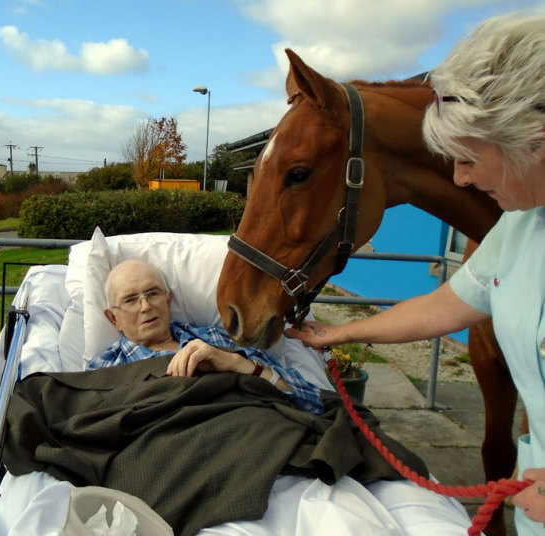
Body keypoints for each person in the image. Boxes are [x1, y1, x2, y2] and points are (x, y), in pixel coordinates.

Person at [285, 14, 545, 535]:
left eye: (469, 156)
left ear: (534, 138)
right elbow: (444, 306)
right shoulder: (518, 229)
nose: (460, 177)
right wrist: (339, 332)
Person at [91, 258, 324, 415]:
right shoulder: (106, 368)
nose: (145, 307)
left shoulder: (214, 338)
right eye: (130, 300)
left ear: (168, 300)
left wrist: (238, 364)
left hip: (255, 432)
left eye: (153, 293)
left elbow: (310, 400)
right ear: (113, 319)